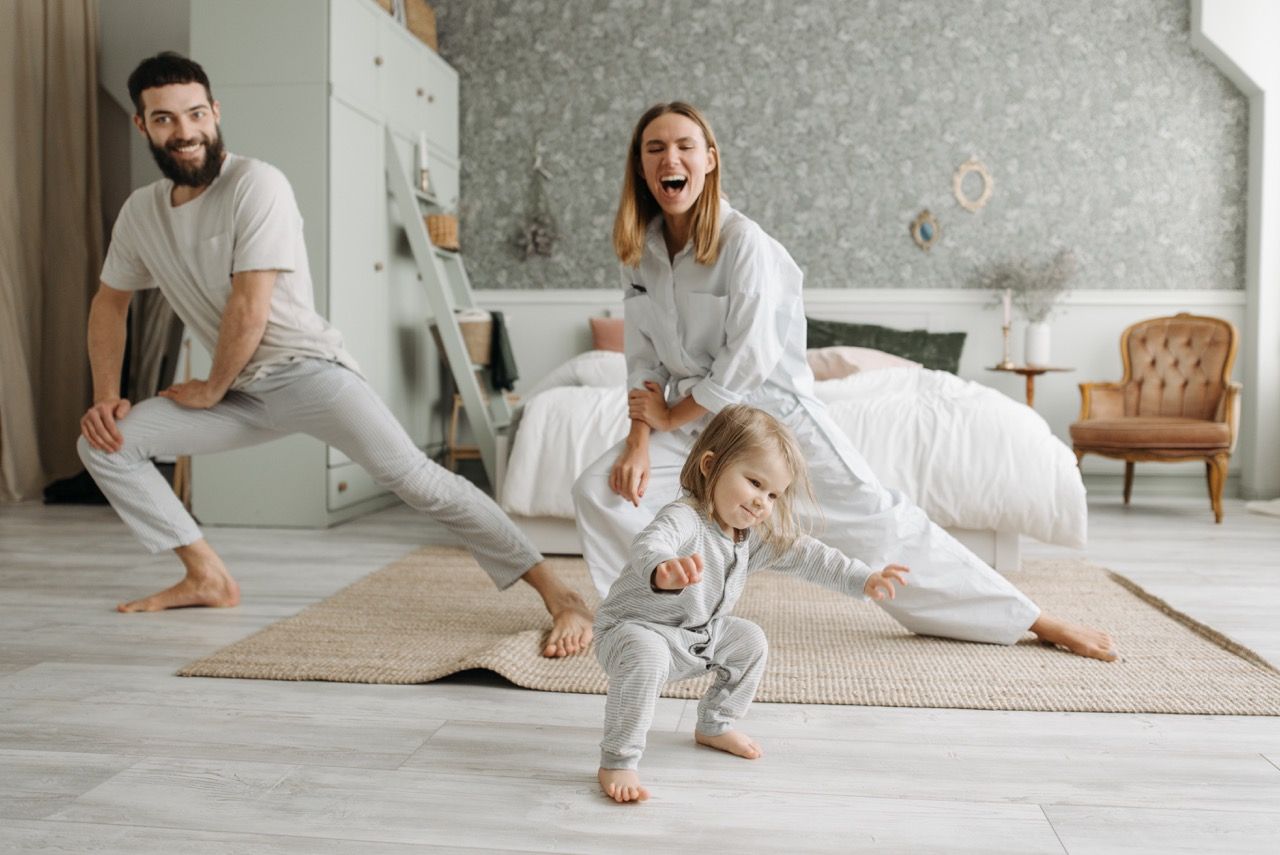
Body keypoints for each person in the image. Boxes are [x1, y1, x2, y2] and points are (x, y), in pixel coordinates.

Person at [77, 52, 592, 658]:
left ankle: (560, 593)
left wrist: (211, 388)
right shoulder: (142, 213)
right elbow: (109, 305)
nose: (185, 132)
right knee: (105, 444)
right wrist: (107, 397)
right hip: (236, 392)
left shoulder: (255, 183)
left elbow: (251, 306)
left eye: (195, 114)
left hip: (305, 375)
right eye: (164, 120)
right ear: (142, 126)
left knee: (419, 482)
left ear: (215, 112)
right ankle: (206, 576)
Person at [572, 101, 1116, 662]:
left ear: (710, 160)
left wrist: (671, 416)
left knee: (876, 519)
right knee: (604, 492)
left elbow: (747, 359)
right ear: (641, 168)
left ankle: (1031, 618)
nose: (670, 158)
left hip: (770, 414)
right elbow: (642, 359)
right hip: (688, 420)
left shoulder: (744, 244)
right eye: (654, 148)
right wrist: (641, 437)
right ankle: (654, 621)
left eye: (685, 145)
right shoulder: (641, 252)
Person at [594, 405, 908, 803]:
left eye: (773, 494)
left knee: (750, 639)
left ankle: (714, 724)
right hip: (632, 631)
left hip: (695, 635)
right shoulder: (686, 518)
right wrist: (662, 569)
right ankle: (618, 760)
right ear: (710, 465)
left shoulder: (749, 536)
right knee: (647, 653)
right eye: (755, 483)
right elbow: (650, 542)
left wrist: (863, 577)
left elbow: (808, 555)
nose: (763, 502)